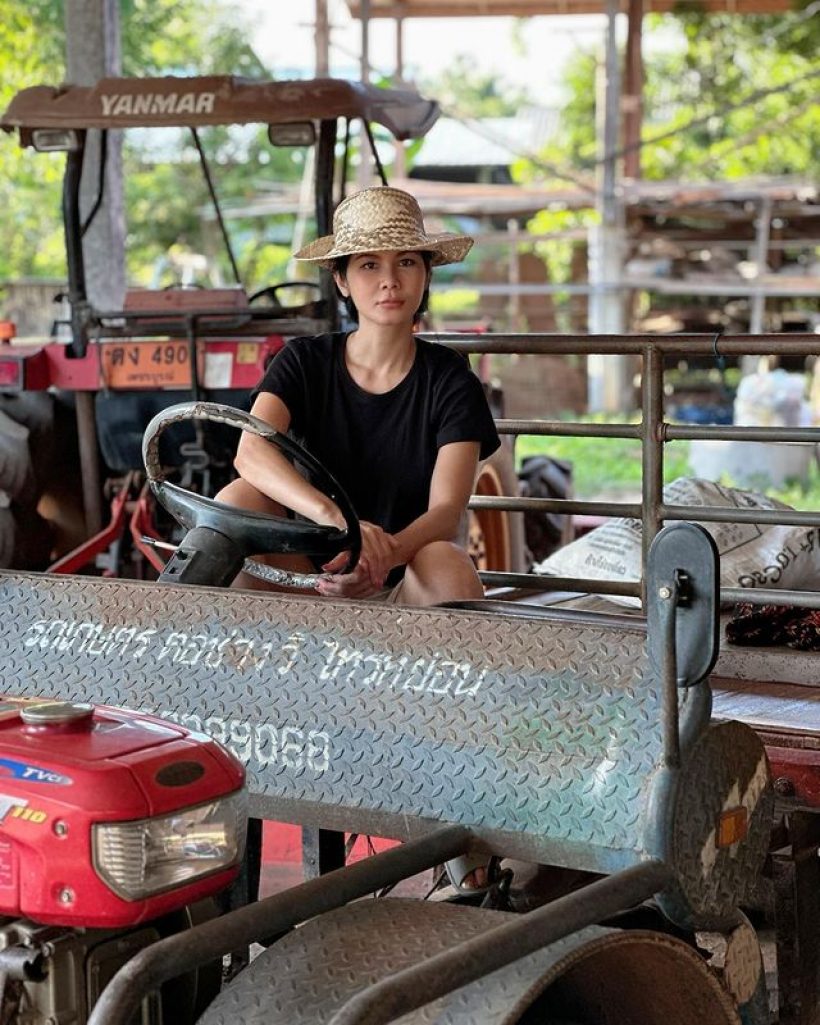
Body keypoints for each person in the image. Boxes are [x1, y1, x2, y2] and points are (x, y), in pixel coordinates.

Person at [217, 185, 500, 607]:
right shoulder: (303, 361)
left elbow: (445, 512)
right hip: (305, 585)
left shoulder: (450, 378)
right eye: (369, 265)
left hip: (402, 584)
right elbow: (250, 453)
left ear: (426, 275)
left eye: (406, 261)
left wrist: (376, 560)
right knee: (237, 499)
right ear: (341, 280)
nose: (389, 281)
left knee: (447, 562)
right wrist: (341, 524)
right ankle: (236, 664)